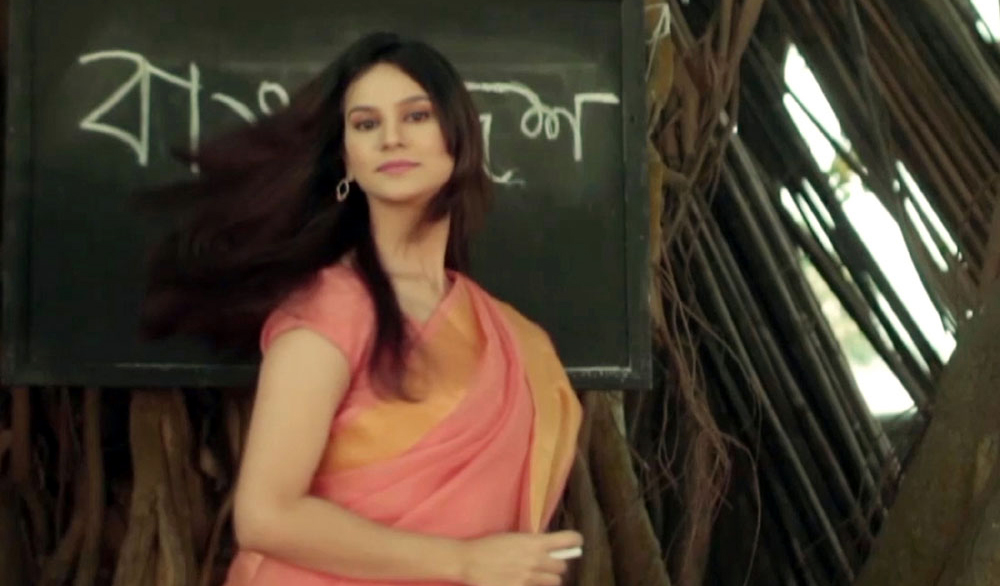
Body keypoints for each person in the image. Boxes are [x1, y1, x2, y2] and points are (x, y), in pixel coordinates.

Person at [141, 31, 582, 586]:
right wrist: (464, 562)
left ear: (460, 136)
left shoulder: (519, 339)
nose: (391, 137)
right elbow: (266, 515)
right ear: (346, 159)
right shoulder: (330, 309)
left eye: (416, 116)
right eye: (366, 124)